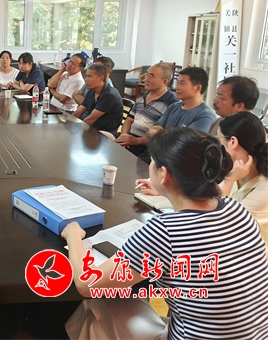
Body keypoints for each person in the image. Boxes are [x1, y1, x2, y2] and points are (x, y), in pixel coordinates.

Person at [64, 126, 268, 339]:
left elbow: (86, 285)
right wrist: (168, 191)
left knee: (102, 299)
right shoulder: (236, 210)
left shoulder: (165, 231)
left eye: (152, 162)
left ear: (164, 174)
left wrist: (74, 237)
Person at [218, 112, 268, 248]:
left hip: (253, 259)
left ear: (233, 142)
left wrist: (229, 180)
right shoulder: (235, 170)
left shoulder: (264, 190)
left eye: (219, 140)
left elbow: (217, 224)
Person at [114, 62, 178, 160]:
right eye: (146, 74)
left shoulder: (171, 104)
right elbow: (129, 119)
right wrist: (123, 136)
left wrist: (136, 141)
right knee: (102, 137)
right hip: (129, 139)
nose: (146, 79)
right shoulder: (143, 96)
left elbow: (164, 139)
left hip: (145, 146)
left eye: (151, 76)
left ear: (164, 81)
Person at [147, 66, 216, 138]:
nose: (177, 87)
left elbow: (186, 142)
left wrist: (159, 134)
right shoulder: (173, 107)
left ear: (197, 88)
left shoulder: (206, 115)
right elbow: (155, 129)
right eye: (177, 83)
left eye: (182, 83)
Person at [72, 64, 123, 132]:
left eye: (89, 76)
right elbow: (78, 113)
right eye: (86, 76)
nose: (86, 79)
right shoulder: (92, 91)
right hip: (92, 127)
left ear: (101, 78)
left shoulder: (109, 95)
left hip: (104, 132)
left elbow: (90, 120)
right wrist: (66, 124)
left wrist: (74, 131)